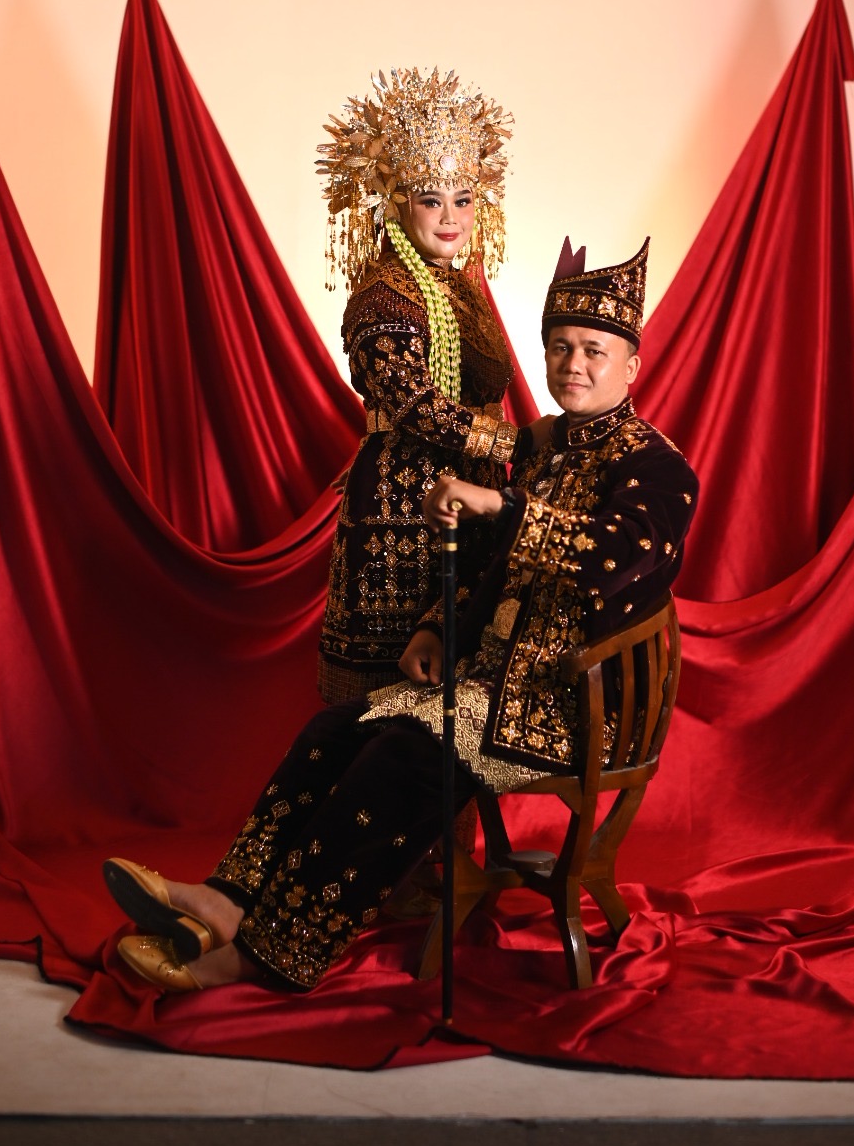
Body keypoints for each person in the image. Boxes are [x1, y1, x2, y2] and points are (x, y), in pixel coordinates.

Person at [105, 234, 699, 992]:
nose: (573, 365)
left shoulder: (657, 465)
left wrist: (500, 504)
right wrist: (435, 626)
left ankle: (274, 953)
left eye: (593, 351)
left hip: (573, 705)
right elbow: (487, 567)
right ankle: (225, 902)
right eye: (560, 347)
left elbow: (611, 559)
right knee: (334, 731)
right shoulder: (545, 448)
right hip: (496, 687)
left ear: (632, 367)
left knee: (409, 758)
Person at [312, 65, 548, 703]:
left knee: (463, 684)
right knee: (392, 697)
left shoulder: (458, 290)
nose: (451, 218)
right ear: (395, 204)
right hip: (402, 509)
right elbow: (416, 406)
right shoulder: (383, 297)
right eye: (430, 200)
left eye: (463, 200)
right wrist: (520, 444)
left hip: (469, 496)